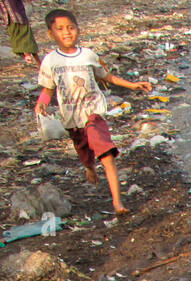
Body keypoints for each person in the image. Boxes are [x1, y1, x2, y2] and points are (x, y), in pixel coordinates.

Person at [34, 9, 151, 215]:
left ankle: (117, 203)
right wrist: (42, 103)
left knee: (107, 154)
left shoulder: (88, 55)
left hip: (93, 114)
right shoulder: (50, 61)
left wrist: (133, 85)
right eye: (60, 29)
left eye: (71, 27)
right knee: (84, 152)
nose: (67, 33)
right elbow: (48, 89)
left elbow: (107, 77)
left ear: (78, 29)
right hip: (71, 118)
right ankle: (89, 166)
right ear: (51, 34)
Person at [2, 0, 39, 66]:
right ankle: (28, 56)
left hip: (17, 15)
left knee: (26, 37)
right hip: (10, 17)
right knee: (19, 38)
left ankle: (32, 58)